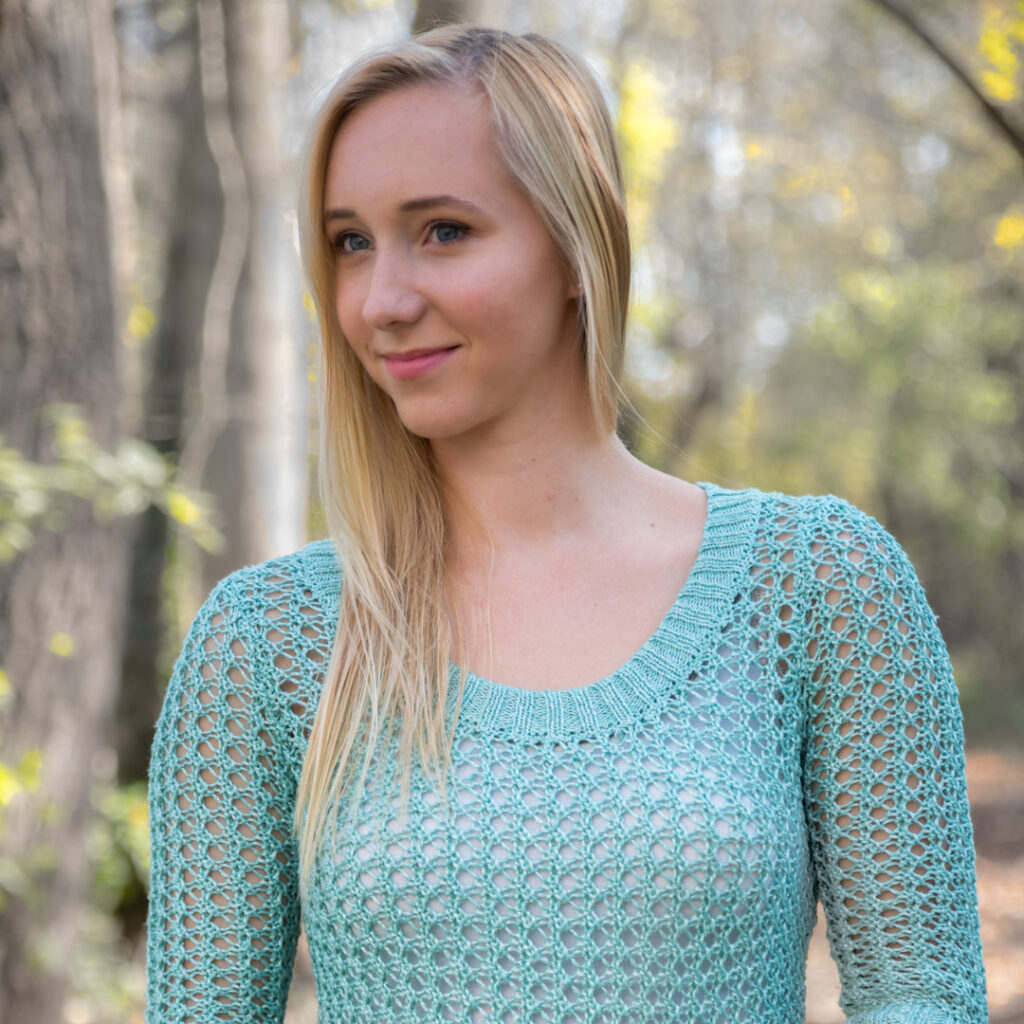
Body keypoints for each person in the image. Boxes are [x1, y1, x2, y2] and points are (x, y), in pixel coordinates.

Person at [144, 24, 987, 1024]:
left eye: (443, 230)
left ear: (578, 243)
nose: (381, 300)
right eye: (350, 243)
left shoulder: (817, 583)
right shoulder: (267, 642)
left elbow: (922, 997)